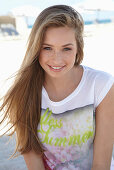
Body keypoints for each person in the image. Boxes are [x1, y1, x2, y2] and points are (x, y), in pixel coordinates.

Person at [0, 4, 114, 170]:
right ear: (36, 48)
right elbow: (34, 164)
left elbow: (101, 165)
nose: (57, 59)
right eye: (47, 48)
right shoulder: (24, 93)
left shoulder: (101, 86)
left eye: (66, 48)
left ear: (78, 48)